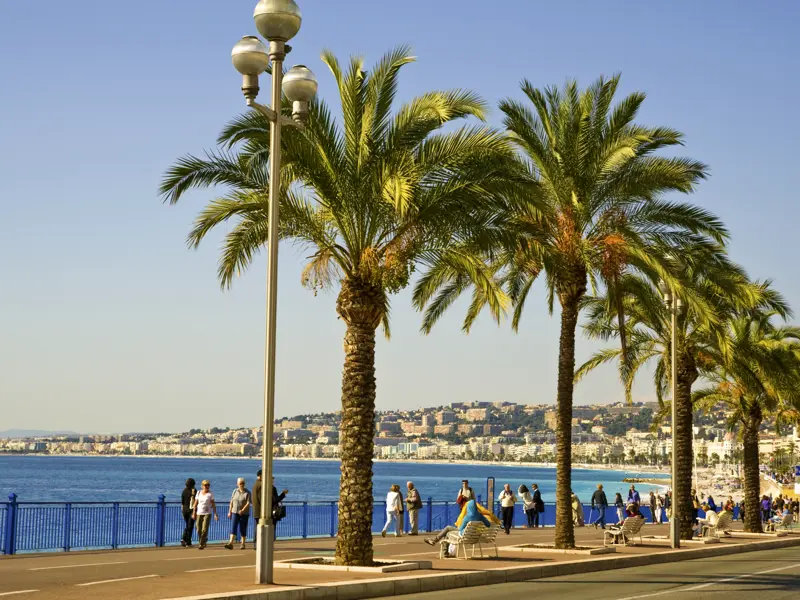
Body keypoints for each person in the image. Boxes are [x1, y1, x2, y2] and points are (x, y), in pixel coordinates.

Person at [424, 499, 497, 547]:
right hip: (475, 536)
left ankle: (436, 542)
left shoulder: (467, 517)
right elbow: (488, 524)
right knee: (448, 530)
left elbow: (460, 528)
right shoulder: (480, 516)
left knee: (448, 529)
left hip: (464, 535)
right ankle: (435, 542)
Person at [224, 477, 251, 550]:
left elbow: (248, 503)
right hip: (234, 512)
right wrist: (229, 511)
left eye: (243, 483)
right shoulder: (234, 491)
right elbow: (231, 501)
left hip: (244, 513)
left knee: (243, 528)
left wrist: (242, 510)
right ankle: (231, 543)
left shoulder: (247, 492)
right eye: (240, 483)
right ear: (237, 484)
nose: (241, 485)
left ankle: (243, 543)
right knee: (233, 527)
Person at [193, 479, 218, 550]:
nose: (207, 486)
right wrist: (194, 512)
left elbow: (213, 504)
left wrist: (215, 514)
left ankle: (201, 543)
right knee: (198, 528)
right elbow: (195, 503)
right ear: (202, 486)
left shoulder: (210, 494)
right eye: (205, 485)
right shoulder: (198, 493)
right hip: (199, 513)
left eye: (208, 485)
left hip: (207, 513)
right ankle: (204, 539)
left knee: (204, 529)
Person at [180, 478, 197, 547]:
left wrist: (182, 511)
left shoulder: (183, 491)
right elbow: (196, 501)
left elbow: (182, 502)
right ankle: (188, 542)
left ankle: (184, 539)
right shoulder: (194, 491)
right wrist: (195, 512)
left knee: (188, 525)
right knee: (190, 526)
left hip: (185, 510)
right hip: (191, 510)